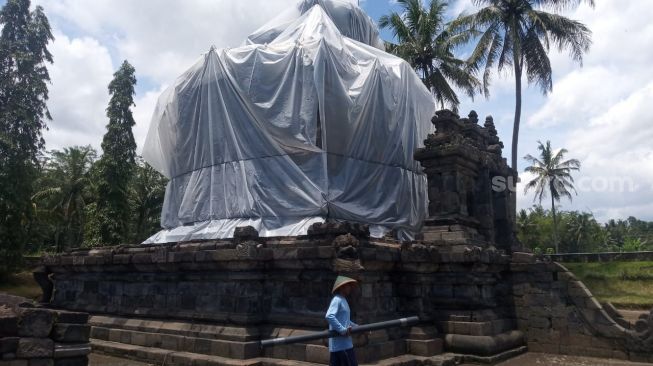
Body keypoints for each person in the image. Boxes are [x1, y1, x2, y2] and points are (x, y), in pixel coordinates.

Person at [325, 275, 359, 366]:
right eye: (348, 285)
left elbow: (346, 320)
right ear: (342, 287)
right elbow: (329, 316)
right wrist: (342, 330)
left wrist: (358, 327)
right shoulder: (337, 300)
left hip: (346, 344)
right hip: (341, 346)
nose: (350, 288)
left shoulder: (343, 300)